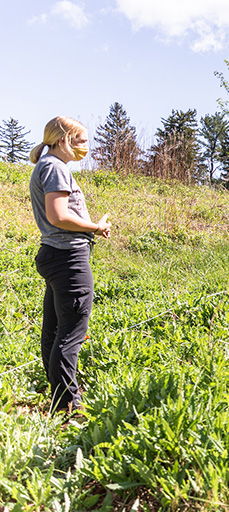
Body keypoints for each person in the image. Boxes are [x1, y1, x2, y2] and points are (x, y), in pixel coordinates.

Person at [29, 116, 111, 415]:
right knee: (71, 333)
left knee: (54, 331)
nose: (86, 146)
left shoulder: (48, 166)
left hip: (55, 255)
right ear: (63, 139)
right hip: (68, 259)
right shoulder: (55, 167)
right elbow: (58, 216)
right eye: (82, 139)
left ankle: (59, 400)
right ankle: (68, 408)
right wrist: (93, 227)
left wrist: (91, 228)